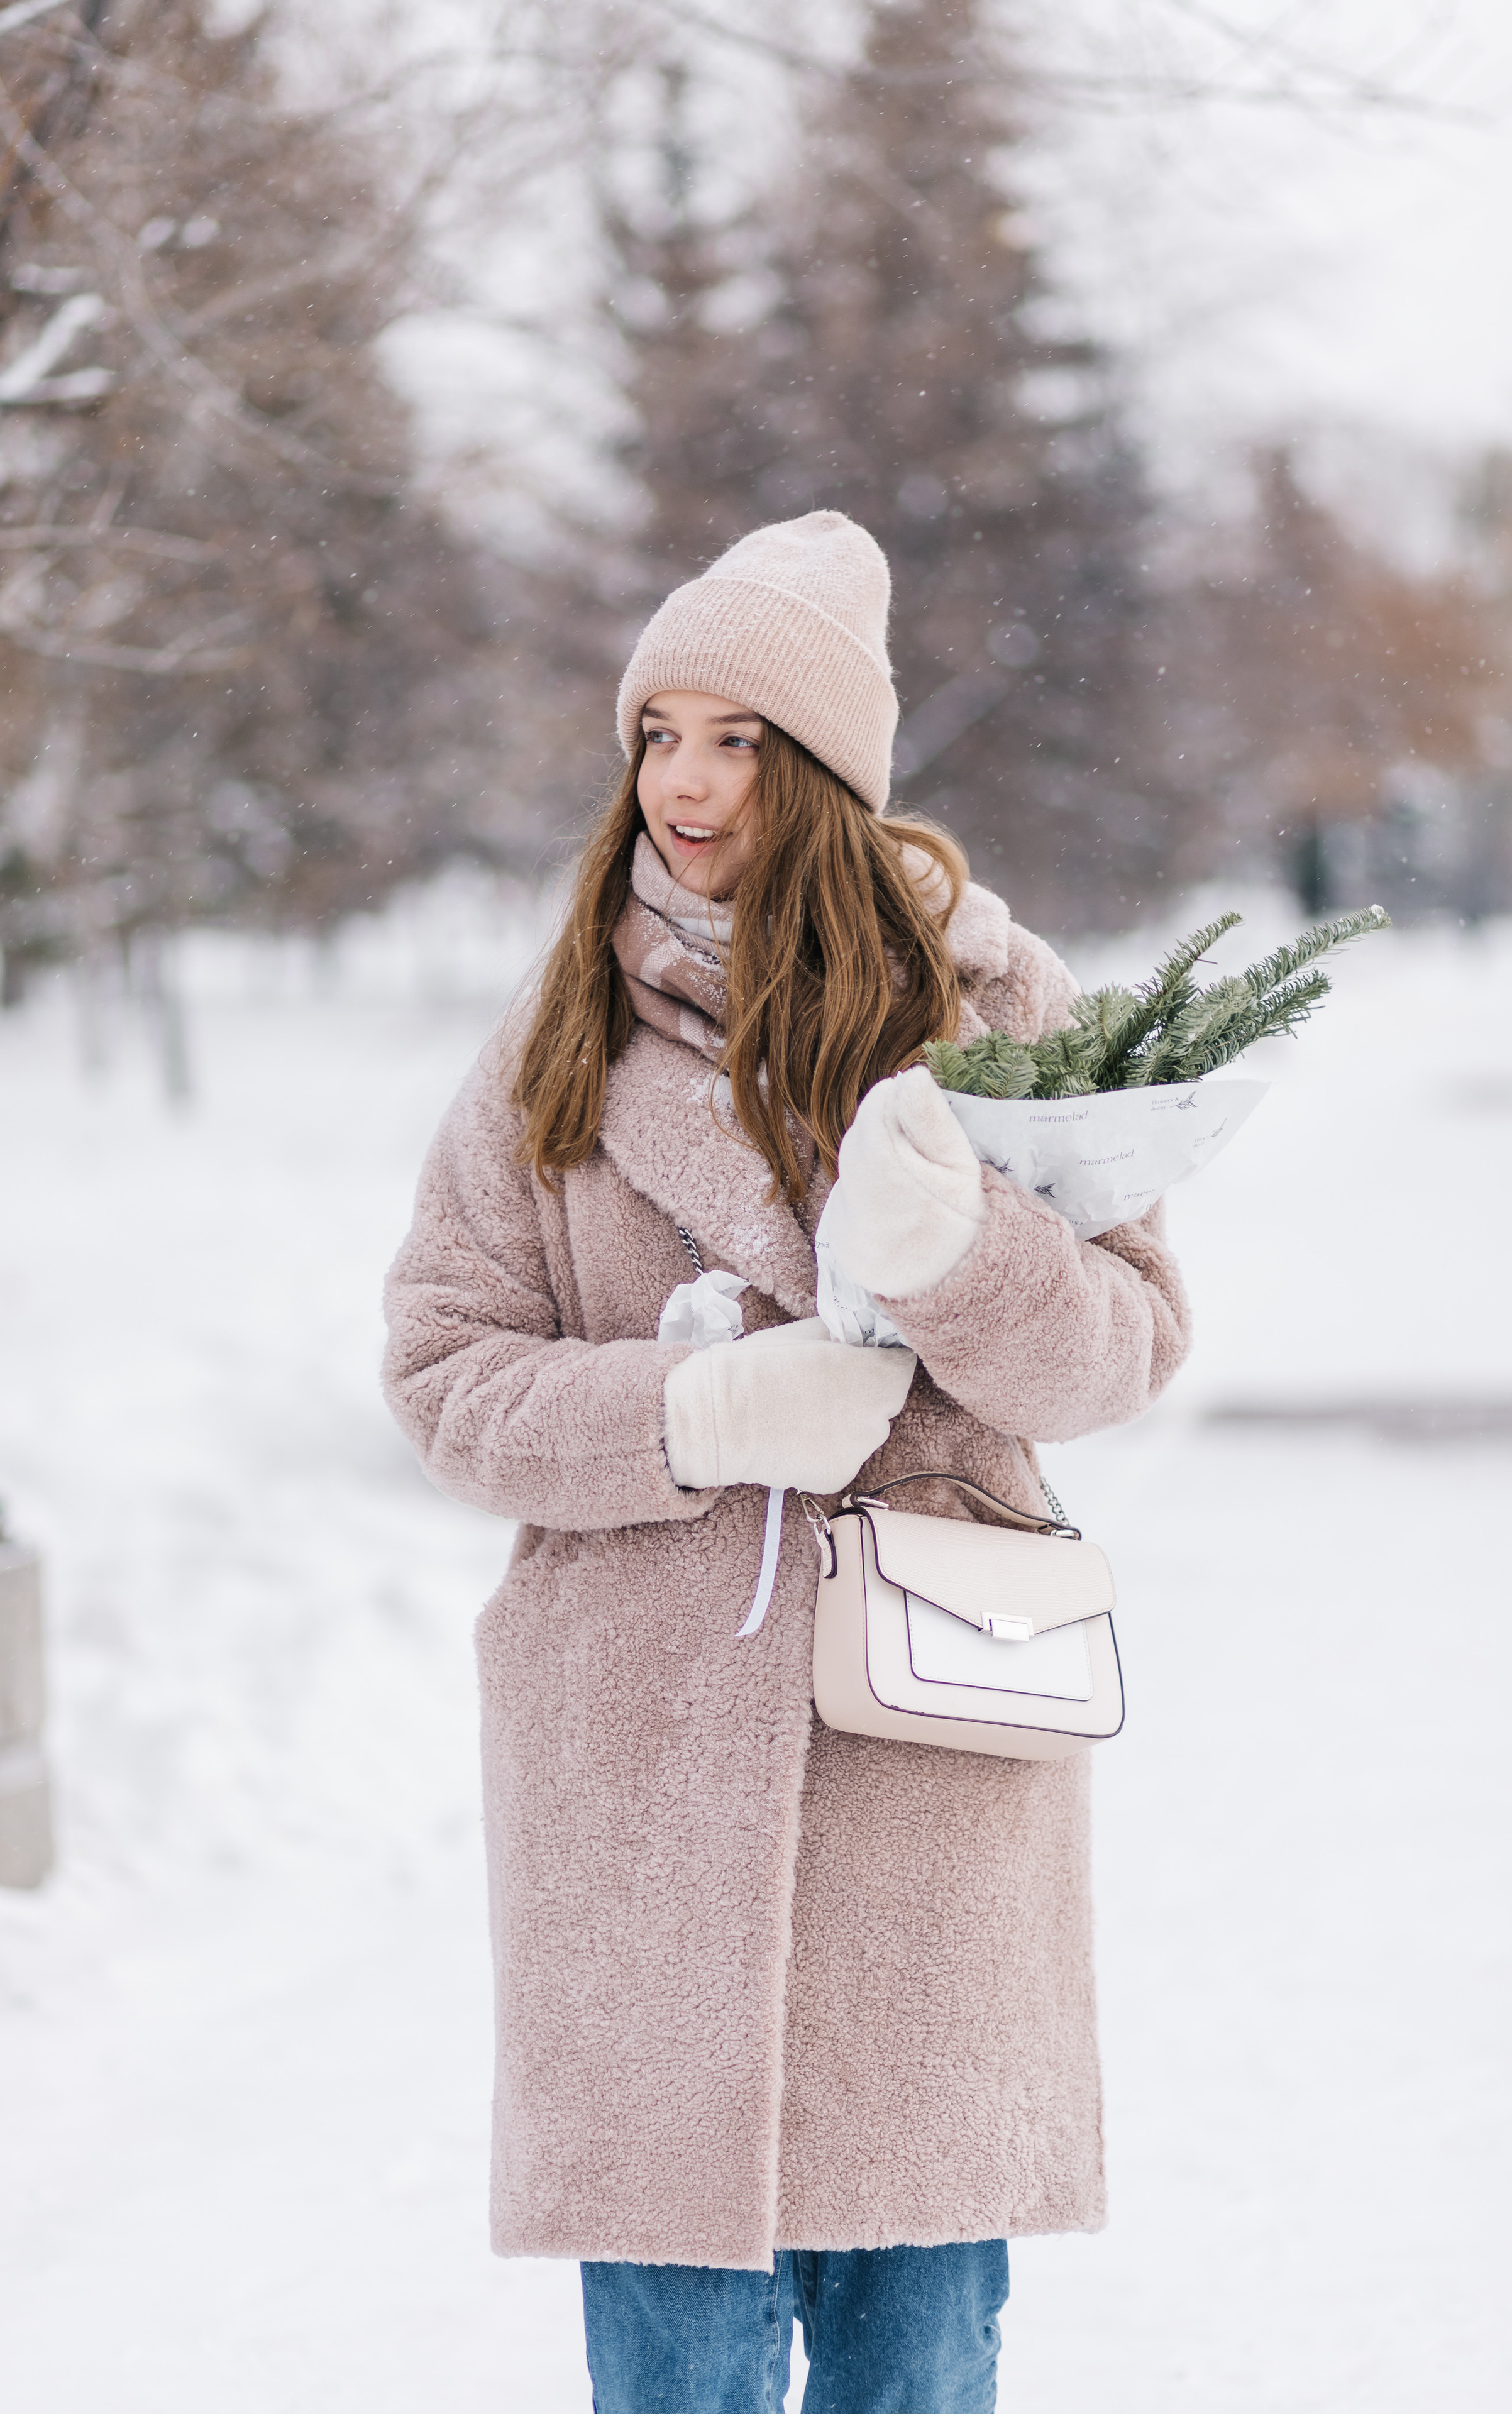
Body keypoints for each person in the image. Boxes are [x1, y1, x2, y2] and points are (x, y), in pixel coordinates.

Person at [382, 511, 1192, 2411]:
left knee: (919, 2364)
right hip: (646, 1775)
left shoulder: (994, 1018)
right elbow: (439, 1368)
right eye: (657, 732)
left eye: (737, 736)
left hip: (925, 1760)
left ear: (822, 766)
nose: (682, 781)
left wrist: (967, 1261)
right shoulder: (556, 1035)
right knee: (677, 2373)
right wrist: (685, 1420)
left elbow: (1128, 1344)